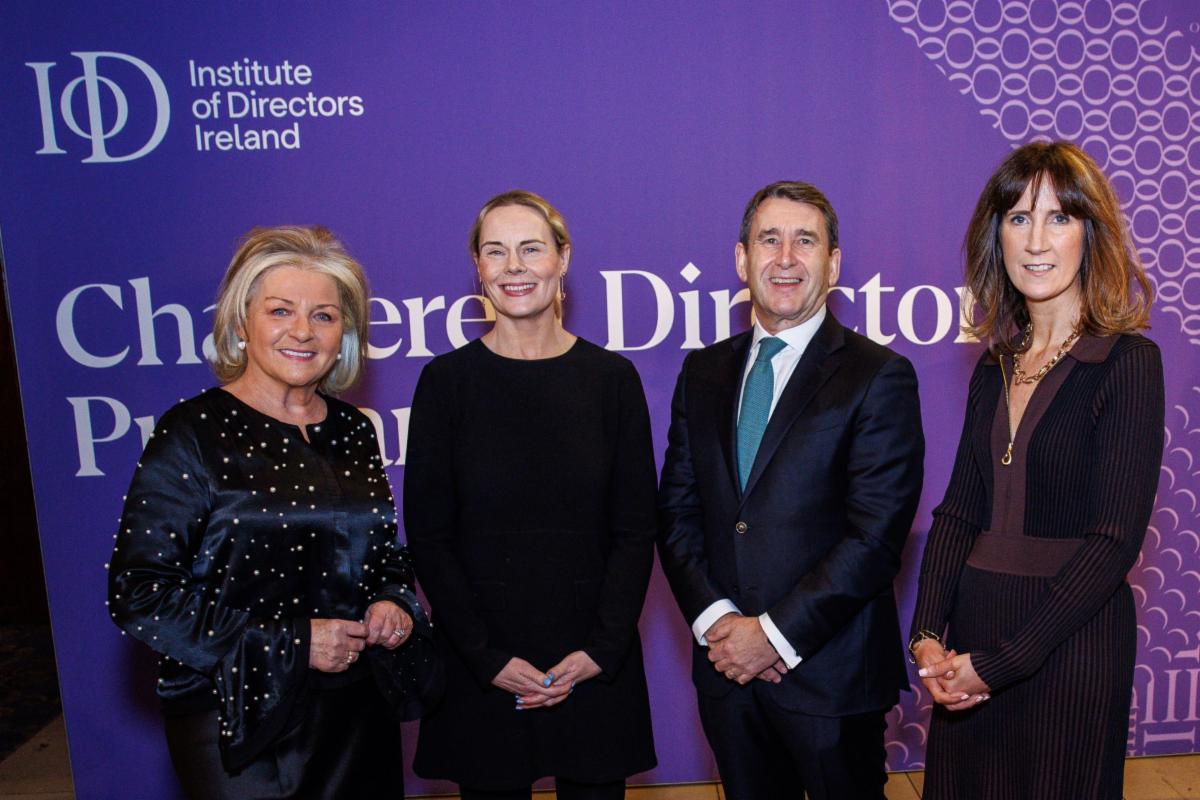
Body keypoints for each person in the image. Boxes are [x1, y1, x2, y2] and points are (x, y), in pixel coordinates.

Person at [107, 226, 428, 799]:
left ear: (345, 333)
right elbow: (139, 592)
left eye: (325, 316)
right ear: (240, 321)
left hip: (356, 714)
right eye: (280, 310)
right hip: (235, 716)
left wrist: (392, 602)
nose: (303, 331)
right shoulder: (193, 432)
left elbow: (380, 559)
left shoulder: (352, 429)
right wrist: (297, 641)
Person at [909, 141, 1163, 799]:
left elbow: (1112, 543)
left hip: (1070, 646)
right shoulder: (995, 366)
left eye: (1058, 217)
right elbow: (959, 511)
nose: (1036, 239)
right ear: (996, 235)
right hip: (974, 638)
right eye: (1018, 218)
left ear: (1090, 232)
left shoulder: (1129, 363)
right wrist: (929, 633)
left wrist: (1004, 664)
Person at [657, 180, 925, 800]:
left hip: (831, 679)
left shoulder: (878, 375)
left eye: (805, 241)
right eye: (768, 239)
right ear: (741, 259)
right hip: (726, 674)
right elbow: (677, 511)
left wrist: (772, 635)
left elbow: (875, 536)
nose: (784, 258)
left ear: (832, 264)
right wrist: (722, 625)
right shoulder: (702, 371)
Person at [404, 190, 657, 800]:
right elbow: (430, 538)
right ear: (479, 269)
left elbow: (635, 530)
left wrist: (601, 649)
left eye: (530, 248)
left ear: (562, 258)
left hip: (593, 665)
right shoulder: (444, 385)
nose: (514, 266)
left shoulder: (612, 381)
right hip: (484, 666)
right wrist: (486, 659)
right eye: (496, 251)